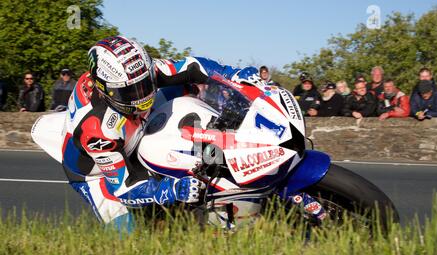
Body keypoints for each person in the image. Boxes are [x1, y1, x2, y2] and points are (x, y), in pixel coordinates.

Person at [61, 36, 328, 233]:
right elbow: (123, 188)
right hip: (97, 172)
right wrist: (172, 189)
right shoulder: (97, 130)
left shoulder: (138, 72)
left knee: (192, 89)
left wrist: (235, 75)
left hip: (137, 128)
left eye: (145, 85)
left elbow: (194, 66)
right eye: (131, 93)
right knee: (129, 238)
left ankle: (229, 159)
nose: (143, 95)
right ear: (107, 89)